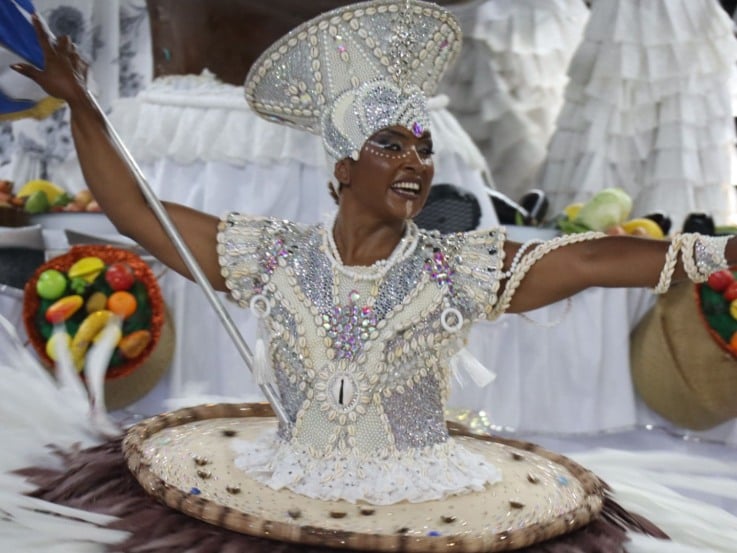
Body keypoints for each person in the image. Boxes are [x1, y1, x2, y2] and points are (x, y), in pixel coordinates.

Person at [6, 1, 737, 552]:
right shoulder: (273, 256)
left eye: (424, 149)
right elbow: (136, 210)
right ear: (344, 170)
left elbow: (584, 260)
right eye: (391, 145)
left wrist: (714, 256)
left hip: (425, 498)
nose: (416, 163)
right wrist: (81, 106)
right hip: (277, 482)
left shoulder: (454, 268)